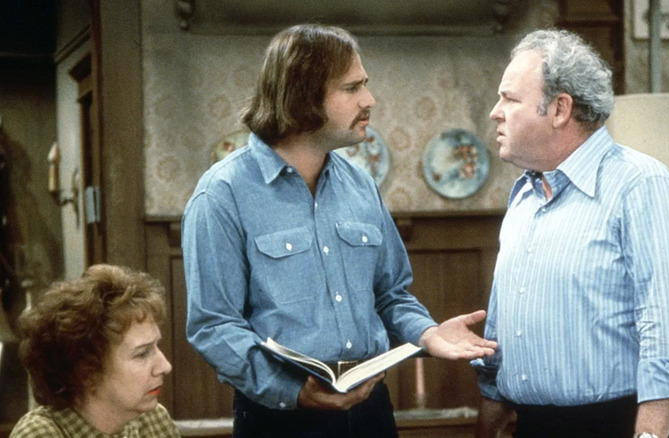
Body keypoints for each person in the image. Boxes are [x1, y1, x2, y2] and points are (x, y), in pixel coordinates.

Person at [182, 23, 497, 438]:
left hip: (371, 413)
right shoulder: (222, 194)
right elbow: (214, 326)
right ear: (302, 96)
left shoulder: (360, 184)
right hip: (279, 418)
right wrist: (293, 391)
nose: (369, 100)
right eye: (352, 89)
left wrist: (429, 333)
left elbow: (390, 295)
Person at [471, 29, 669, 438]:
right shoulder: (525, 194)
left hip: (621, 425)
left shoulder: (642, 185)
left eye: (509, 98)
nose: (495, 112)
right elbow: (502, 332)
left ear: (560, 108)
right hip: (533, 425)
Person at [10, 264, 179, 438]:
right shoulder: (41, 434)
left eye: (156, 346)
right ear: (87, 371)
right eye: (142, 353)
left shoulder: (154, 419)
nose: (165, 366)